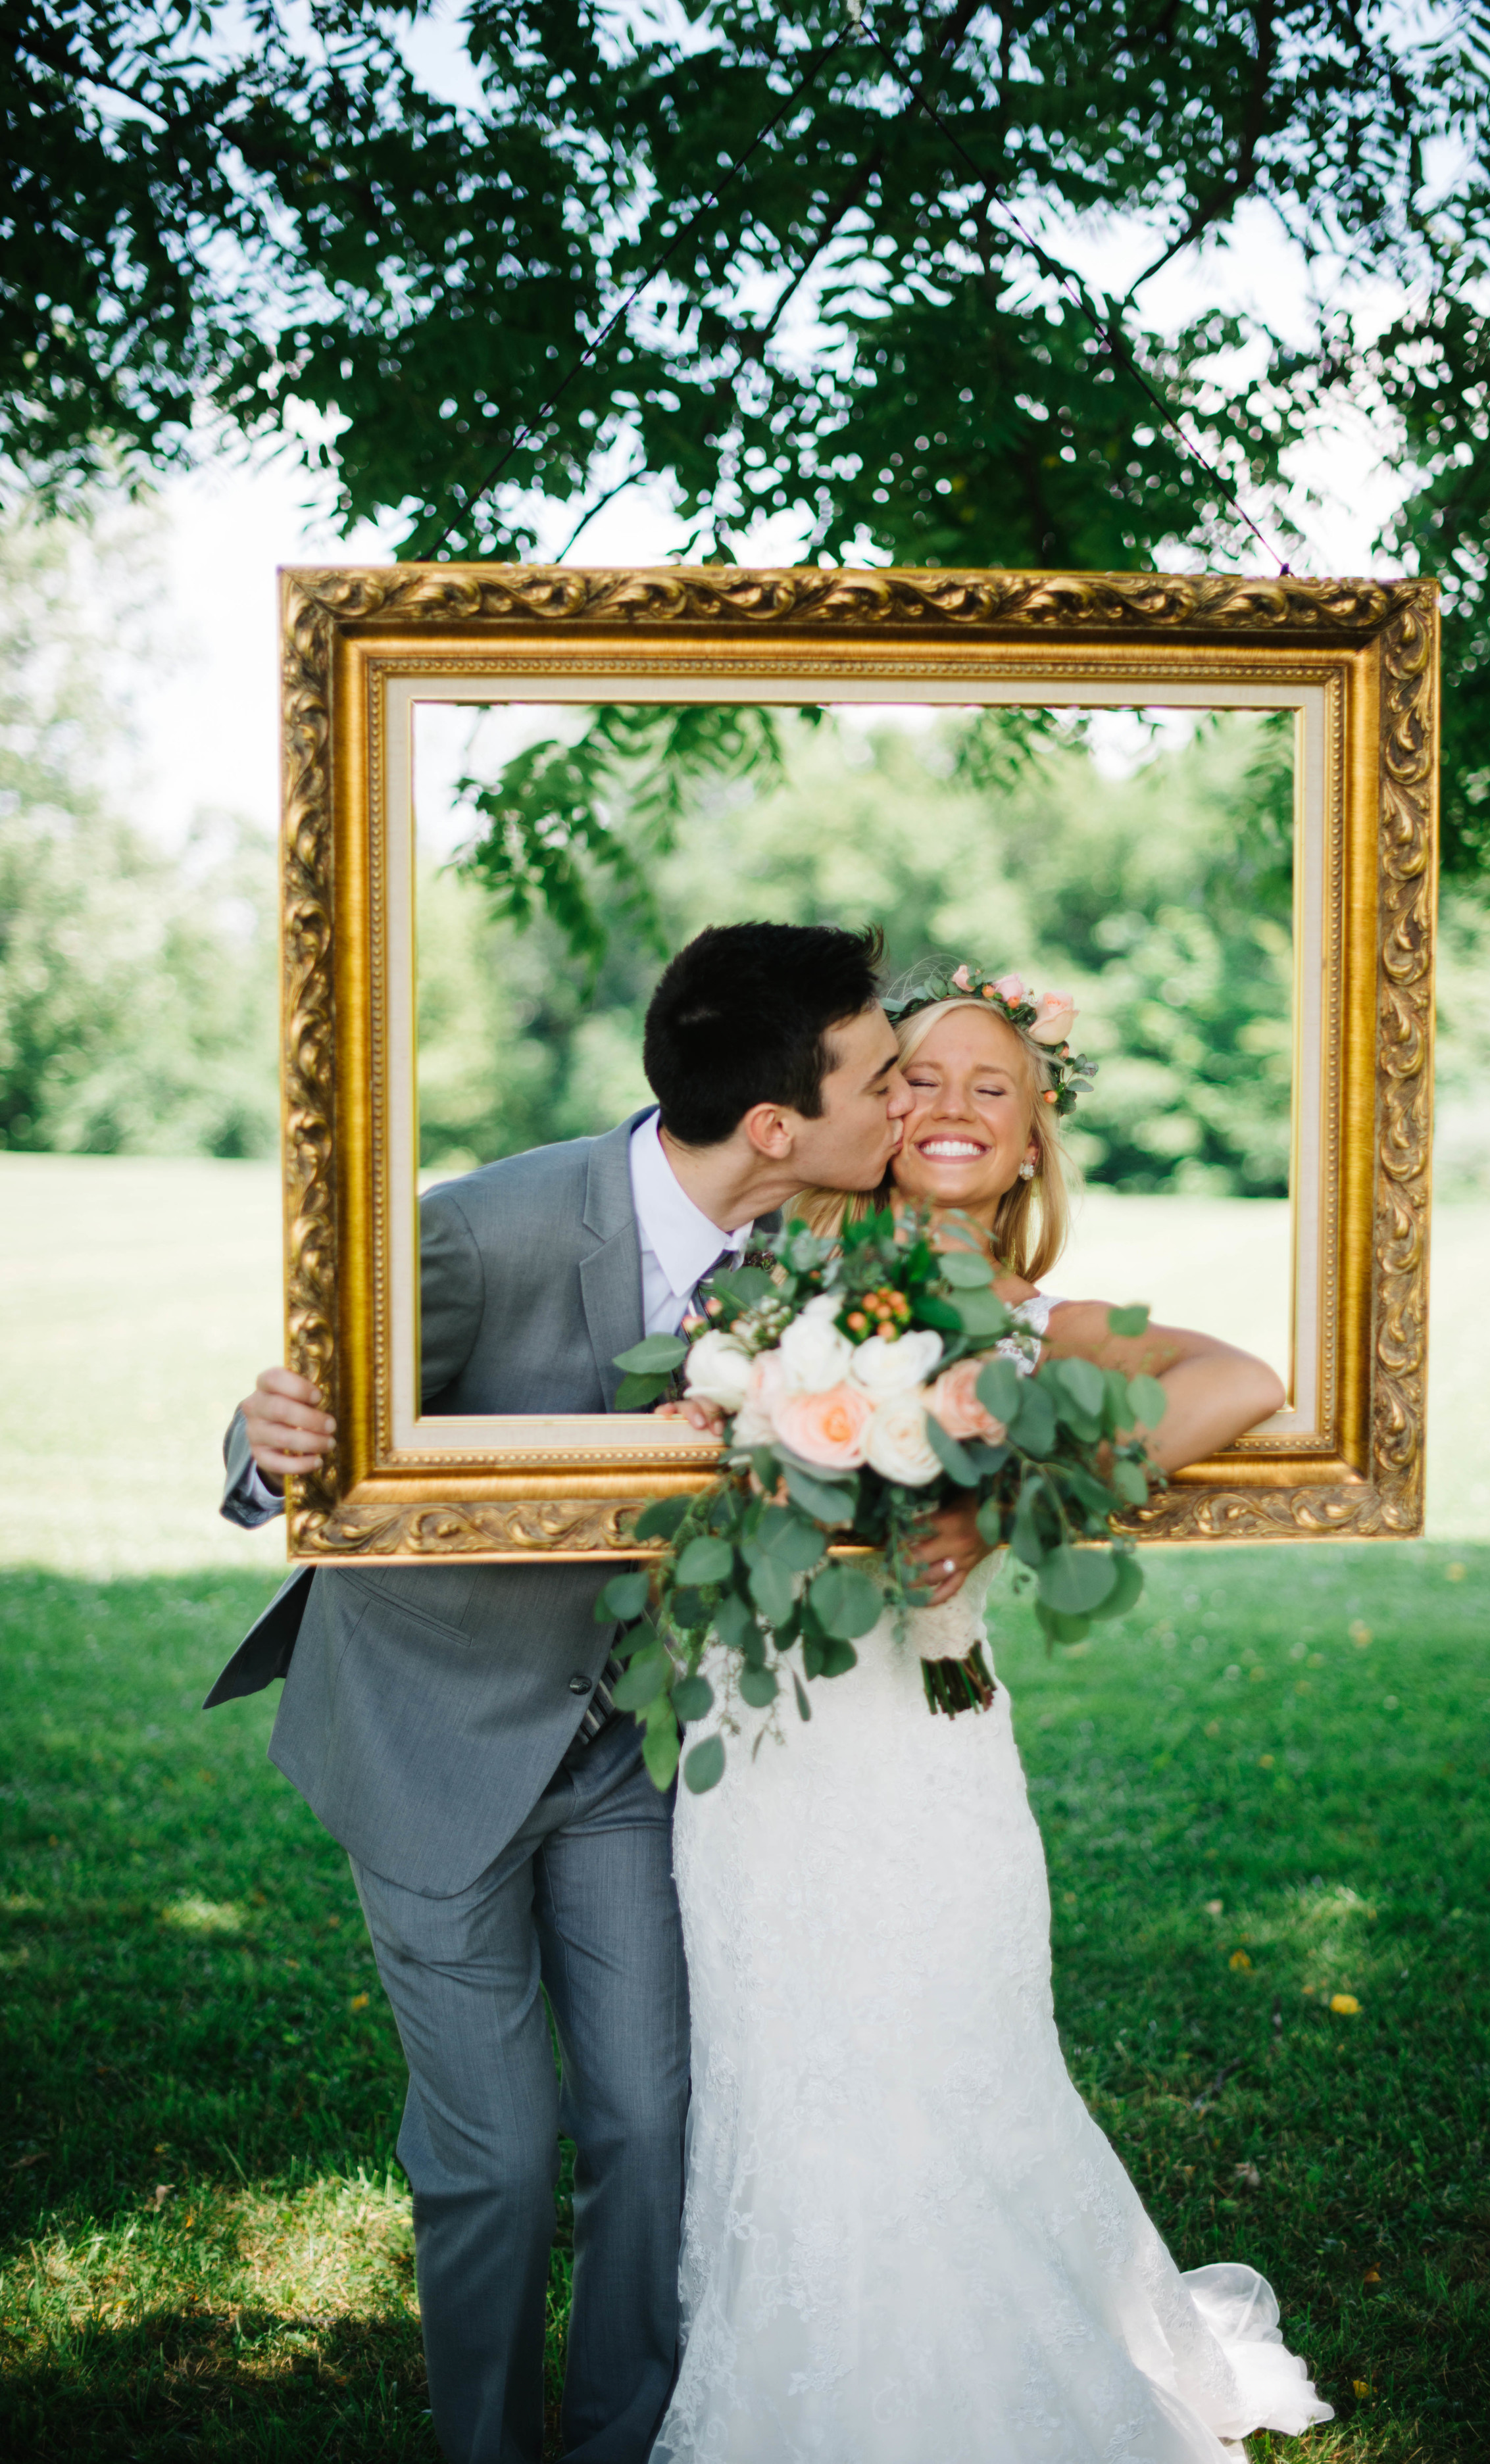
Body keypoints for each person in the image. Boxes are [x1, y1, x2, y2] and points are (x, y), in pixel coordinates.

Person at [207, 921, 985, 2464]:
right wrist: (269, 1437)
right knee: (495, 2155)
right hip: (427, 1737)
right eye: (881, 1075)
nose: (902, 1104)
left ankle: (618, 2438)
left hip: (631, 1744)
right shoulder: (480, 1231)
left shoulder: (815, 1256)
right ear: (776, 1124)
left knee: (649, 2124)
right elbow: (303, 1432)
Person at [652, 972, 1334, 2463]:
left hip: (932, 1748)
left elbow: (1243, 1376)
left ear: (1031, 1139)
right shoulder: (751, 1290)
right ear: (874, 1109)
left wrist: (1014, 1489)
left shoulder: (1050, 1321)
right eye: (921, 1078)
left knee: (954, 2057)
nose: (950, 1106)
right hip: (760, 1758)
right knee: (787, 2081)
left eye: (991, 1088)